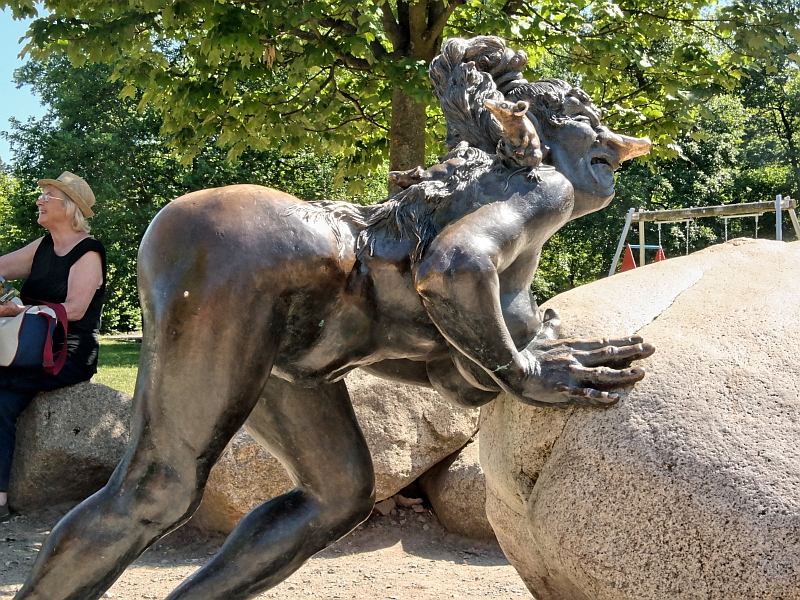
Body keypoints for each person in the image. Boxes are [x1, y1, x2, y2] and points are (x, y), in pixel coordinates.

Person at [16, 39, 652, 600]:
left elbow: (452, 372)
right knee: (160, 485)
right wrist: (522, 369)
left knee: (339, 492)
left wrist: (519, 352)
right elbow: (454, 270)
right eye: (589, 124)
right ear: (544, 131)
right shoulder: (541, 185)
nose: (609, 144)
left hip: (299, 319)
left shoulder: (496, 213)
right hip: (269, 254)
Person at [0, 171, 105, 522]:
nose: (39, 200)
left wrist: (18, 310)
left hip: (66, 354)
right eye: (41, 193)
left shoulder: (88, 252)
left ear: (69, 207)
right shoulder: (42, 246)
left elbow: (74, 310)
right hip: (24, 349)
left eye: (47, 195)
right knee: (3, 402)